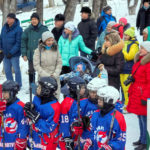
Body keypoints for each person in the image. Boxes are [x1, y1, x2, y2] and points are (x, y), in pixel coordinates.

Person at [24, 76, 61, 150]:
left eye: (40, 87)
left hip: (47, 142)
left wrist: (37, 119)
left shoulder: (55, 107)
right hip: (35, 138)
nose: (37, 88)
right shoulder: (37, 98)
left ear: (46, 90)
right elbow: (33, 114)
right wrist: (30, 108)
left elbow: (49, 127)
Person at [72, 78, 107, 149]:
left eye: (94, 92)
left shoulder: (107, 107)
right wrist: (78, 126)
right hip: (85, 138)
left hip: (100, 140)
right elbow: (74, 120)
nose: (92, 94)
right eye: (91, 91)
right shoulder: (82, 103)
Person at [127, 41, 150, 150]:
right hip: (137, 92)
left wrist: (145, 97)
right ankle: (141, 138)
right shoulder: (140, 61)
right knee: (140, 117)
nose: (140, 50)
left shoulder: (148, 64)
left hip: (143, 94)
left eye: (142, 48)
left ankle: (145, 142)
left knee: (144, 119)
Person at [21, 13, 48, 89]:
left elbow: (49, 41)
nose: (33, 21)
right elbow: (23, 42)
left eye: (35, 19)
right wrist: (24, 54)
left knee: (42, 71)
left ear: (38, 20)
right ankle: (32, 86)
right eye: (32, 19)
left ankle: (42, 85)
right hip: (30, 54)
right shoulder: (27, 30)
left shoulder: (44, 29)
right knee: (31, 71)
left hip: (41, 54)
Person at [59, 76, 86, 150]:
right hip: (68, 138)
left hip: (76, 136)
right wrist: (67, 138)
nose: (84, 89)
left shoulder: (78, 100)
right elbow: (64, 123)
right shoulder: (67, 103)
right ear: (75, 88)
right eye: (82, 88)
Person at [0, 80, 28, 150]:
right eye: (3, 92)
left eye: (6, 92)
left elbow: (23, 125)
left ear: (12, 93)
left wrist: (21, 139)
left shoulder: (20, 106)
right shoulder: (2, 105)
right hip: (3, 143)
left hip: (14, 144)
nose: (3, 95)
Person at [33, 31, 62, 99]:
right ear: (44, 40)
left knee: (55, 96)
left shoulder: (56, 49)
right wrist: (47, 76)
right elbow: (36, 65)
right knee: (43, 96)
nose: (50, 42)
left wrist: (55, 74)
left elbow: (59, 63)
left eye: (52, 40)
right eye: (48, 40)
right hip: (43, 77)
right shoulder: (38, 51)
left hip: (55, 77)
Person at [0, 13, 22, 87]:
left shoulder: (18, 29)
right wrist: (1, 49)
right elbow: (1, 39)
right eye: (7, 18)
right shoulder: (4, 27)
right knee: (7, 71)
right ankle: (10, 85)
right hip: (5, 54)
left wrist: (11, 53)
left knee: (16, 70)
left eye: (9, 18)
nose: (8, 20)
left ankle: (18, 85)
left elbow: (18, 43)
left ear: (13, 19)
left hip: (14, 54)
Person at [120, 27, 139, 110]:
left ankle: (129, 106)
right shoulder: (125, 43)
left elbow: (130, 57)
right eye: (124, 35)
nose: (124, 36)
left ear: (131, 36)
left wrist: (122, 51)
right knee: (124, 89)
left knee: (128, 89)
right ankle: (127, 105)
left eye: (126, 35)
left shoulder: (134, 45)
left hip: (129, 69)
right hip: (122, 69)